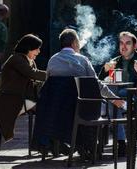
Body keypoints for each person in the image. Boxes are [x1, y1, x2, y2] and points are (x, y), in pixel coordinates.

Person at [44, 28, 125, 158]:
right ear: (75, 43)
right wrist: (114, 98)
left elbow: (48, 84)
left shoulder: (52, 60)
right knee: (110, 106)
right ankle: (117, 144)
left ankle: (78, 144)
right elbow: (96, 84)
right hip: (81, 109)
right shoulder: (83, 60)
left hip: (57, 110)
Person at [98, 31, 137, 156]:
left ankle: (118, 142)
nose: (123, 46)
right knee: (112, 100)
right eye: (121, 43)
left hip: (135, 97)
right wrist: (104, 70)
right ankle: (120, 142)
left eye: (128, 43)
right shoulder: (114, 61)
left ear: (134, 46)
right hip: (117, 98)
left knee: (112, 99)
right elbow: (99, 83)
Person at [0, 34, 47, 141]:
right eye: (37, 49)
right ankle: (43, 142)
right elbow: (32, 73)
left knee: (48, 107)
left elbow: (34, 76)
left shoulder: (26, 60)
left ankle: (45, 142)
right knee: (47, 110)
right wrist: (51, 74)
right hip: (11, 99)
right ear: (29, 48)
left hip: (20, 97)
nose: (38, 52)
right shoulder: (17, 59)